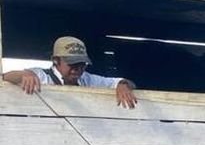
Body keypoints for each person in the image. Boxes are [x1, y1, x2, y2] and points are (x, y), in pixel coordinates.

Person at [2, 36, 137, 108]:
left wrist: (123, 85)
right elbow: (5, 77)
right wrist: (25, 74)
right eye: (72, 64)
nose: (77, 69)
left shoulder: (87, 78)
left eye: (82, 64)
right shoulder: (42, 76)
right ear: (56, 60)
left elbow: (123, 81)